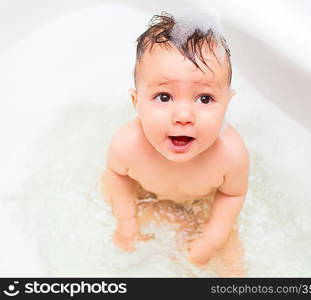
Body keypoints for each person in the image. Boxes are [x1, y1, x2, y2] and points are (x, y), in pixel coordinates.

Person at [101, 10, 249, 277]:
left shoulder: (231, 155)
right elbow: (116, 176)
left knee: (231, 257)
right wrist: (126, 220)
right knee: (162, 227)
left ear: (227, 102)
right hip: (147, 196)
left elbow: (232, 195)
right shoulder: (127, 144)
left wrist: (212, 239)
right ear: (137, 103)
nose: (183, 116)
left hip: (204, 203)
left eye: (204, 99)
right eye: (164, 96)